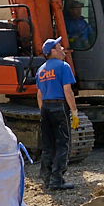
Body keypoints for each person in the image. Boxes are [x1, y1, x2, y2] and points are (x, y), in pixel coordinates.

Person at [36, 37, 79, 191]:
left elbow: (39, 96)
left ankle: (46, 179)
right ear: (52, 51)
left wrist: (44, 112)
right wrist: (74, 112)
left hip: (46, 108)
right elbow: (68, 91)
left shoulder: (41, 70)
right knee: (62, 144)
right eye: (59, 46)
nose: (63, 49)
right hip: (59, 107)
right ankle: (57, 180)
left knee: (48, 145)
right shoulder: (63, 67)